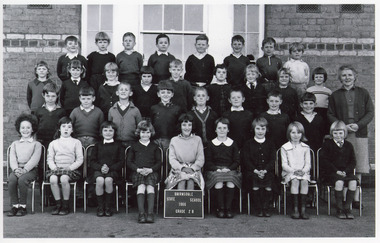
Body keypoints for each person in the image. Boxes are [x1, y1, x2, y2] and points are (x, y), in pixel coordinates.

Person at [327, 64, 374, 209]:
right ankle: (343, 198)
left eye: (349, 75)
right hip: (342, 135)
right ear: (340, 78)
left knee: (358, 166)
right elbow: (330, 114)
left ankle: (356, 199)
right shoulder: (335, 95)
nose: (347, 78)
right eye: (344, 75)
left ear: (355, 77)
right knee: (343, 165)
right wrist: (341, 126)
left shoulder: (363, 93)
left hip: (359, 134)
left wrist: (358, 125)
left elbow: (370, 112)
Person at [319, 121, 358, 219]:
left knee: (353, 182)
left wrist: (346, 171)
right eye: (335, 133)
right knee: (339, 182)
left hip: (346, 172)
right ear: (331, 133)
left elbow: (353, 161)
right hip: (331, 173)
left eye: (341, 133)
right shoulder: (327, 144)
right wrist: (336, 171)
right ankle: (339, 208)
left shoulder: (349, 145)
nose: (338, 136)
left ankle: (347, 207)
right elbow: (324, 161)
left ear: (345, 133)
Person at [46, 117, 84, 215]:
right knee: (53, 179)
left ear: (72, 130)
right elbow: (50, 158)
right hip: (56, 168)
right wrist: (54, 167)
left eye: (69, 127)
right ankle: (58, 204)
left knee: (63, 179)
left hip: (71, 170)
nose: (66, 129)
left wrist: (70, 167)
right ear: (59, 128)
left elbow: (80, 159)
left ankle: (66, 205)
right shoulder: (53, 143)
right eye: (63, 126)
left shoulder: (76, 142)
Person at [205, 118, 241, 218]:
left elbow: (237, 161)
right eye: (219, 128)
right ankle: (220, 208)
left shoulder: (232, 143)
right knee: (219, 181)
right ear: (215, 130)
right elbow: (208, 161)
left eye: (224, 128)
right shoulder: (211, 144)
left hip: (229, 169)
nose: (222, 130)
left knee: (230, 181)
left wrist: (229, 169)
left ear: (228, 130)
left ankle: (228, 208)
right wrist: (217, 169)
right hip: (215, 170)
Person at [127, 120, 162, 223]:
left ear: (151, 133)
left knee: (150, 187)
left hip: (151, 172)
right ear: (138, 133)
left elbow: (159, 162)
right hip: (138, 172)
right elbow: (129, 162)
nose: (145, 135)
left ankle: (150, 213)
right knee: (141, 187)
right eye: (143, 132)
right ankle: (141, 213)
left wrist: (151, 169)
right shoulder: (134, 146)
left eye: (147, 132)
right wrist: (138, 169)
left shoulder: (155, 147)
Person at [7, 114, 42, 217]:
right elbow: (12, 158)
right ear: (19, 129)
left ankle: (23, 206)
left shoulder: (36, 144)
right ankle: (15, 206)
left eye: (28, 127)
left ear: (32, 129)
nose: (25, 130)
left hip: (31, 170)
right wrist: (16, 169)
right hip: (17, 169)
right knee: (12, 180)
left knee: (22, 180)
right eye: (22, 127)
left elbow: (35, 159)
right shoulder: (15, 144)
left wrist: (25, 170)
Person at [241, 117, 275, 217]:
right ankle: (258, 207)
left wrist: (265, 170)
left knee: (268, 182)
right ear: (253, 129)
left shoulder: (270, 143)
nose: (260, 131)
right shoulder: (248, 144)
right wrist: (255, 171)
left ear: (266, 130)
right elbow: (246, 160)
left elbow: (273, 159)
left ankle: (266, 207)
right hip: (252, 171)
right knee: (255, 182)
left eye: (263, 129)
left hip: (267, 171)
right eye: (258, 129)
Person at [35, 83, 66, 189]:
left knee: (54, 166)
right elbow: (34, 128)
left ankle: (54, 193)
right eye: (48, 96)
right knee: (42, 166)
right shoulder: (39, 111)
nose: (50, 98)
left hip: (56, 142)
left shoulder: (61, 111)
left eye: (53, 96)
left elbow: (63, 127)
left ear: (57, 96)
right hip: (42, 141)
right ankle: (44, 193)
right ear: (43, 95)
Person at [89, 121, 124, 217]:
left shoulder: (118, 146)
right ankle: (100, 206)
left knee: (108, 180)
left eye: (110, 130)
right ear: (101, 132)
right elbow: (92, 161)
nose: (108, 133)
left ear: (114, 132)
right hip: (98, 170)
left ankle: (108, 206)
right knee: (100, 180)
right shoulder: (97, 145)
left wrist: (110, 168)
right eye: (105, 130)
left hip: (113, 171)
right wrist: (101, 168)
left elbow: (121, 162)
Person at [165, 114, 205, 190]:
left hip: (194, 169)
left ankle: (189, 202)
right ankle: (180, 202)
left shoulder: (198, 139)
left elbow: (200, 159)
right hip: (178, 169)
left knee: (190, 181)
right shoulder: (174, 140)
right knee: (182, 180)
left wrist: (192, 168)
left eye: (189, 125)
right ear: (180, 126)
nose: (187, 128)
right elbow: (172, 159)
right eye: (184, 125)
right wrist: (182, 168)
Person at [281, 122, 311, 220]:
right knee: (294, 181)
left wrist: (303, 171)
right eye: (293, 132)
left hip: (303, 172)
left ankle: (303, 209)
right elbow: (284, 164)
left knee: (304, 181)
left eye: (298, 132)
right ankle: (295, 209)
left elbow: (308, 164)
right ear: (289, 133)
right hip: (289, 173)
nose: (296, 135)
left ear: (302, 134)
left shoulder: (305, 147)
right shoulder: (285, 147)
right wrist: (293, 171)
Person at [150, 80, 184, 155]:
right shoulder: (154, 108)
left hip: (171, 139)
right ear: (158, 94)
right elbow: (151, 123)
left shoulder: (177, 109)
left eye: (168, 92)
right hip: (156, 139)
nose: (166, 95)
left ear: (172, 94)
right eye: (163, 92)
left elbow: (179, 126)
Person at [108, 81, 142, 149]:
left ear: (130, 93)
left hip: (132, 142)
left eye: (126, 90)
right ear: (117, 93)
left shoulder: (135, 110)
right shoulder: (112, 110)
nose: (123, 91)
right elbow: (109, 126)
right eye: (121, 89)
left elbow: (139, 127)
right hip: (116, 142)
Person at [306, 67, 332, 135]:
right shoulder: (309, 90)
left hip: (324, 112)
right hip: (313, 111)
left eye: (321, 77)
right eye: (316, 77)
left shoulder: (328, 91)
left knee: (323, 128)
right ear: (313, 78)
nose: (318, 79)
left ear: (324, 78)